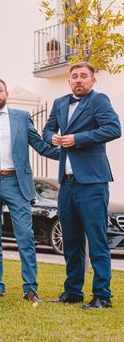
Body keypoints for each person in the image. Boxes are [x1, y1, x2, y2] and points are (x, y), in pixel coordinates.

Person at [0, 78, 60, 303]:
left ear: (6, 93)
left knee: (25, 236)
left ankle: (30, 289)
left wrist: (69, 154)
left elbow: (40, 145)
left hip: (16, 182)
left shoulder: (21, 117)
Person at [43, 62, 121, 309]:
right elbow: (46, 130)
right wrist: (52, 138)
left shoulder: (99, 101)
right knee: (72, 240)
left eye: (83, 76)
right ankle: (73, 291)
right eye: (74, 76)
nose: (78, 80)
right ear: (69, 81)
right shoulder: (59, 103)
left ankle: (102, 296)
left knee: (96, 240)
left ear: (92, 80)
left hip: (92, 183)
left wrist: (77, 139)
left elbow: (113, 129)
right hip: (66, 184)